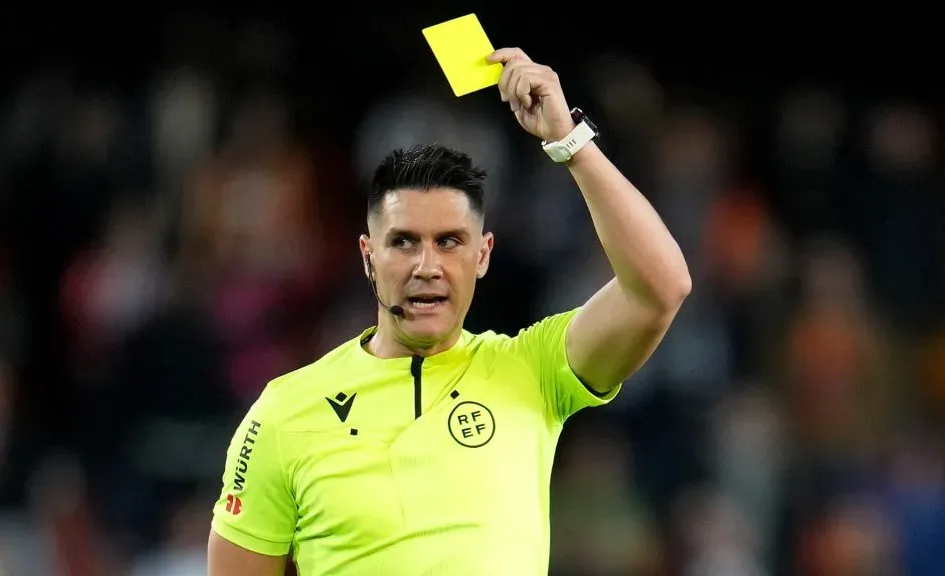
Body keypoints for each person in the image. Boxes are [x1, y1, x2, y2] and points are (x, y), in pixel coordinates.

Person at [207, 47, 692, 576]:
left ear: (482, 255)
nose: (427, 266)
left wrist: (570, 143)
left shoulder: (531, 369)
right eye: (404, 242)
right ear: (369, 256)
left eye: (449, 242)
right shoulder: (284, 412)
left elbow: (660, 288)